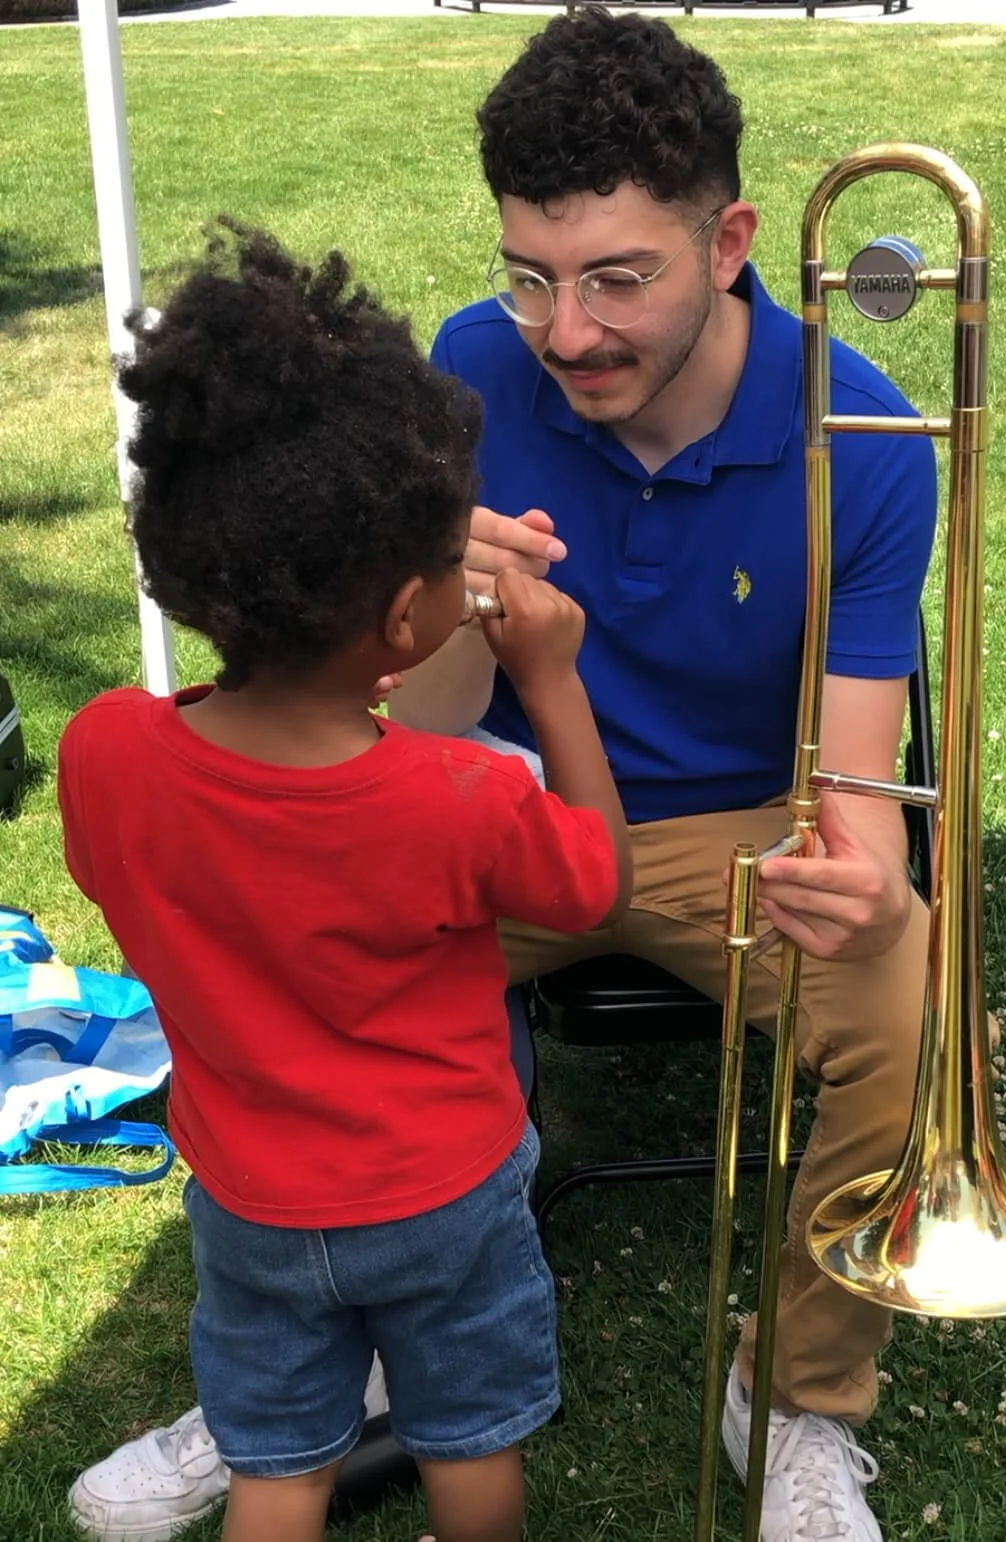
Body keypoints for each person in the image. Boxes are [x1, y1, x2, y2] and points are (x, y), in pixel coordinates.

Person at [68, 11, 940, 1542]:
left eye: (617, 278)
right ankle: (327, 1366)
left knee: (908, 1000)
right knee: (289, 940)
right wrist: (460, 610)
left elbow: (858, 786)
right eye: (530, 275)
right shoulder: (474, 364)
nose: (566, 331)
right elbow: (406, 709)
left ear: (730, 241)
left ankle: (800, 1394)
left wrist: (864, 880)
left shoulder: (860, 434)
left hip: (737, 825)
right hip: (485, 806)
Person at [57, 218, 631, 1542]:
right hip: (446, 1194)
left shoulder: (105, 751)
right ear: (405, 619)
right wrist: (549, 679)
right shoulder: (462, 796)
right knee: (469, 1439)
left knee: (278, 1465)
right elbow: (594, 882)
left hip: (250, 1202)